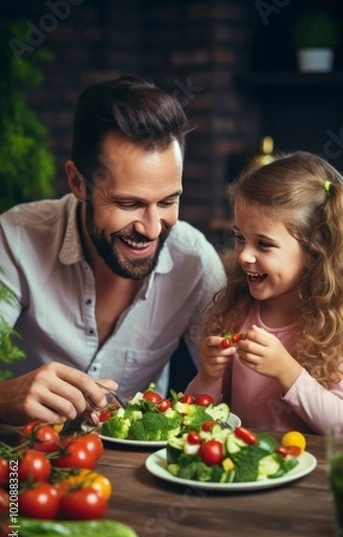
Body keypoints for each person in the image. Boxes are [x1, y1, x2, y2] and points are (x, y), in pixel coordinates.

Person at [0, 75, 226, 426]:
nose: (151, 229)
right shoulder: (15, 238)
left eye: (168, 201)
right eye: (128, 203)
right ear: (78, 182)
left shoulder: (195, 262)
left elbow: (230, 393)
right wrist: (6, 396)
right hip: (19, 462)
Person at [185, 151, 343, 434]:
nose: (244, 255)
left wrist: (288, 373)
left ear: (313, 251)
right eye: (239, 237)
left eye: (264, 244)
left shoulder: (336, 326)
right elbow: (195, 415)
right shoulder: (238, 310)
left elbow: (339, 427)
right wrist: (209, 374)